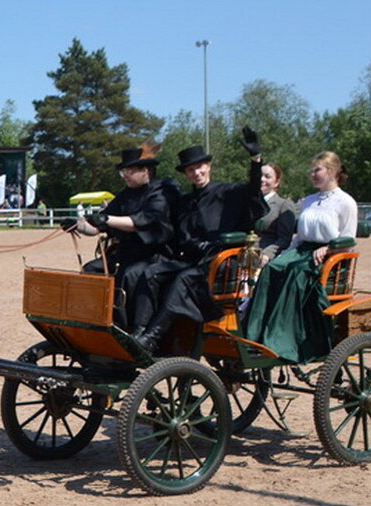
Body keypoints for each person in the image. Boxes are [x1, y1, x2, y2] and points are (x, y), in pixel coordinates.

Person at [129, 127, 267, 353]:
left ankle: (153, 336)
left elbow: (254, 193)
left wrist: (255, 160)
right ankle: (140, 331)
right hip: (193, 262)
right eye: (191, 170)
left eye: (199, 167)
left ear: (208, 166)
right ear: (186, 174)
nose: (196, 173)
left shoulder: (227, 192)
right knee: (151, 272)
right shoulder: (185, 201)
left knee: (183, 279)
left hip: (221, 265)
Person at [243, 151, 358, 362]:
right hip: (302, 250)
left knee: (295, 274)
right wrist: (284, 255)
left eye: (317, 170)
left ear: (332, 172)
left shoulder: (345, 202)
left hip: (327, 256)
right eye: (311, 170)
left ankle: (281, 340)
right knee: (272, 269)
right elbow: (300, 236)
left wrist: (329, 248)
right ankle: (256, 334)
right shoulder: (310, 200)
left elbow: (349, 238)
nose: (312, 174)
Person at [62, 141, 177, 330]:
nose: (126, 176)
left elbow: (139, 222)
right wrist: (77, 225)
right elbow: (97, 228)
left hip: (154, 255)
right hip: (126, 253)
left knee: (130, 275)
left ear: (146, 171)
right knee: (91, 269)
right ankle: (95, 319)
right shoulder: (125, 195)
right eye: (124, 172)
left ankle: (134, 329)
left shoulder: (161, 193)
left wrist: (106, 219)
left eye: (130, 172)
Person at [256, 163, 297, 265]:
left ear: (276, 182)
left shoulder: (283, 205)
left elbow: (284, 239)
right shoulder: (248, 203)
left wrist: (267, 254)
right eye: (259, 175)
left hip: (266, 257)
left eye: (267, 177)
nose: (262, 179)